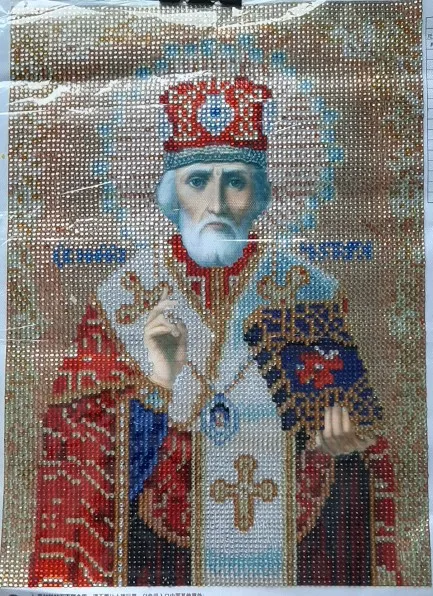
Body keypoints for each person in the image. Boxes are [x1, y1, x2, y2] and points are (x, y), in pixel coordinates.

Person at [30, 77, 399, 587]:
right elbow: (75, 463)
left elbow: (356, 446)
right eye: (199, 180)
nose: (217, 203)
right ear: (171, 194)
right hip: (158, 560)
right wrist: (159, 382)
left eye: (236, 181)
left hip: (292, 550)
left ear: (260, 195)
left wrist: (338, 448)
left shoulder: (309, 292)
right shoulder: (121, 299)